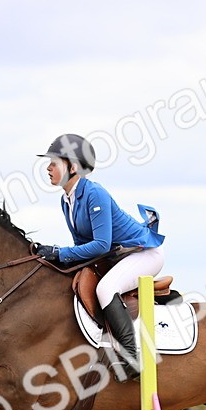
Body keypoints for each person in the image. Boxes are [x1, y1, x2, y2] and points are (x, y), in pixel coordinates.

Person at [31, 133, 165, 381]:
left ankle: (131, 359)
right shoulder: (66, 199)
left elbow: (101, 245)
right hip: (117, 257)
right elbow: (81, 245)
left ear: (72, 167)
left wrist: (61, 253)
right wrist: (56, 257)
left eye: (54, 163)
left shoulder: (95, 193)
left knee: (106, 288)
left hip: (143, 253)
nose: (48, 168)